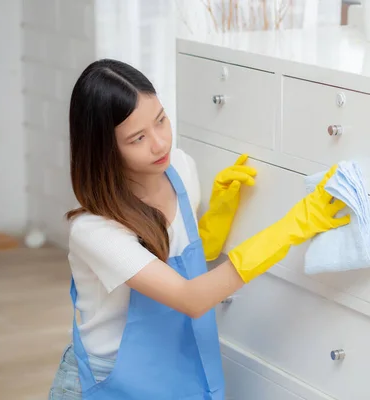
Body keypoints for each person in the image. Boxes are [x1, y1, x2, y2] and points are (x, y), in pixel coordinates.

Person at [49, 58, 350, 400]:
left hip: (173, 372)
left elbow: (178, 263)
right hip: (109, 386)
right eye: (137, 138)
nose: (160, 143)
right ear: (104, 152)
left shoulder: (179, 167)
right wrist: (291, 228)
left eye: (161, 120)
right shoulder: (94, 231)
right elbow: (189, 298)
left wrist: (215, 219)